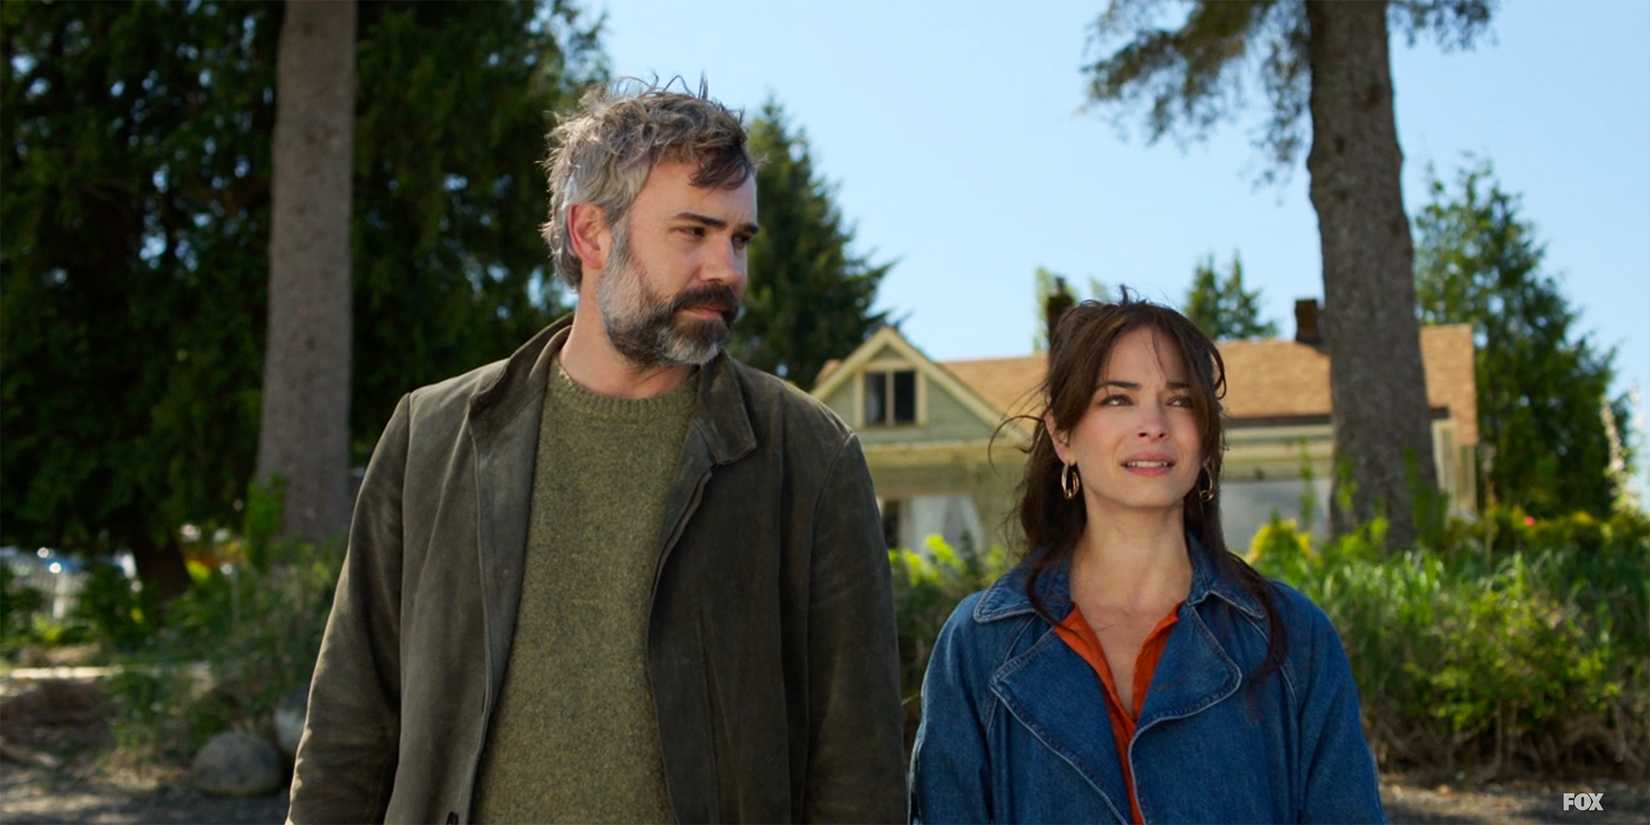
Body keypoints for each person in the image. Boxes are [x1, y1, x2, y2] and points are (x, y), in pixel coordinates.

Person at [287, 81, 905, 825]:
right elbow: (349, 729)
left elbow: (859, 769)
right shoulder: (433, 435)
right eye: (693, 232)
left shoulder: (808, 457)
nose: (728, 270)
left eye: (739, 239)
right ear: (591, 234)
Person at [908, 295, 1385, 823]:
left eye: (1179, 400)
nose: (1154, 424)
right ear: (1063, 435)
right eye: (1118, 399)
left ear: (1206, 438)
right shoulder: (979, 645)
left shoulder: (1294, 640)